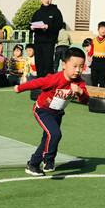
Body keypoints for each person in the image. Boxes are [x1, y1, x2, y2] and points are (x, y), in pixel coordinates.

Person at [15, 47, 89, 176]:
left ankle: (33, 164)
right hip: (43, 110)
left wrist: (80, 91)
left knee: (47, 139)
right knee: (55, 134)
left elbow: (85, 100)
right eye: (74, 66)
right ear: (63, 65)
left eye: (81, 66)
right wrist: (19, 88)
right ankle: (48, 159)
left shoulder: (79, 83)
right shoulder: (54, 79)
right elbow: (36, 83)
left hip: (58, 113)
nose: (78, 70)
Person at [30, 0, 64, 77]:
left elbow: (60, 25)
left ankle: (49, 82)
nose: (47, 0)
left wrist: (48, 26)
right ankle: (40, 82)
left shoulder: (56, 11)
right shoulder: (37, 13)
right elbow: (31, 24)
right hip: (38, 42)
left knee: (48, 64)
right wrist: (32, 28)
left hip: (49, 42)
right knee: (39, 64)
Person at [89, 21, 105, 87]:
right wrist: (89, 56)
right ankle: (94, 89)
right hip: (95, 60)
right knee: (94, 77)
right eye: (102, 29)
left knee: (102, 77)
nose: (103, 31)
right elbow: (92, 49)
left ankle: (101, 89)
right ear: (98, 30)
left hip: (103, 61)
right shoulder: (94, 40)